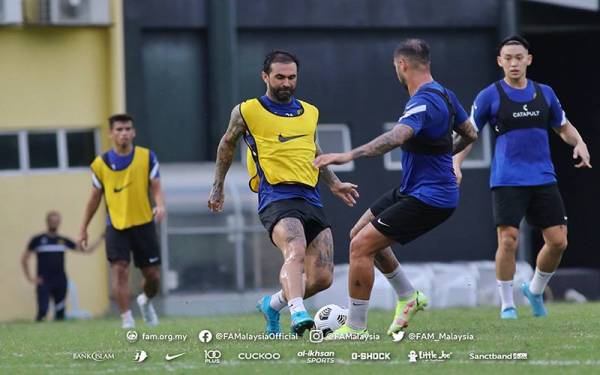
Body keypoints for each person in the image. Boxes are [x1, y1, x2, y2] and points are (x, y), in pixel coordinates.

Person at [314, 38, 478, 339]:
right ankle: (408, 295)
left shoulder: (422, 101)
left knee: (360, 247)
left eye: (396, 68)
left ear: (402, 65)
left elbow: (397, 137)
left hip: (431, 197)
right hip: (413, 188)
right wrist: (450, 161)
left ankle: (356, 327)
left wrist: (347, 155)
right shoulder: (445, 93)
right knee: (358, 235)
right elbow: (470, 133)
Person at [208, 50, 359, 336]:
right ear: (265, 77)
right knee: (295, 248)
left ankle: (273, 305)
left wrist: (334, 183)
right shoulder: (247, 110)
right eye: (279, 77)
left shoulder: (310, 112)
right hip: (275, 194)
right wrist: (218, 187)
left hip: (310, 195)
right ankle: (299, 313)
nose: (286, 83)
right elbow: (226, 145)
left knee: (323, 277)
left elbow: (314, 151)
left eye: (291, 77)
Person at [453, 35, 591, 320]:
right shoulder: (489, 95)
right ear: (500, 62)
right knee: (508, 241)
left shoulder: (545, 93)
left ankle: (535, 290)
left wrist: (579, 143)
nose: (514, 63)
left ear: (529, 59)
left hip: (542, 177)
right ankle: (507, 304)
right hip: (507, 179)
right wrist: (456, 163)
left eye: (519, 57)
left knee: (558, 242)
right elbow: (469, 135)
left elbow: (563, 127)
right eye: (508, 58)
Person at [78, 114, 166, 329]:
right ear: (111, 134)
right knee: (119, 270)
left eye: (127, 129)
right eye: (119, 129)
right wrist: (83, 229)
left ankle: (145, 302)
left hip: (144, 222)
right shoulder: (101, 164)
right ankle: (127, 318)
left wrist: (160, 205)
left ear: (133, 132)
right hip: (116, 225)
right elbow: (94, 199)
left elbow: (155, 186)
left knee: (152, 276)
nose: (124, 133)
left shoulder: (147, 157)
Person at [21, 210, 102, 321]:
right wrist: (30, 278)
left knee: (60, 314)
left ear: (59, 223)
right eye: (52, 221)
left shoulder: (63, 241)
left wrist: (102, 238)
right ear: (47, 222)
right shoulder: (38, 240)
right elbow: (25, 258)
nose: (54, 223)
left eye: (57, 221)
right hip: (44, 281)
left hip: (60, 281)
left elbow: (87, 250)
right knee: (42, 312)